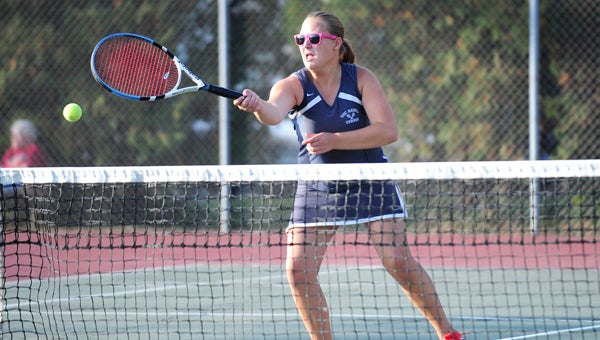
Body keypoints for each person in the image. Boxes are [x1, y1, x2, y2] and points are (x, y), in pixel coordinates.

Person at [235, 11, 463, 340]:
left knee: (398, 260)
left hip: (369, 181)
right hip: (318, 187)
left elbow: (388, 131)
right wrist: (257, 105)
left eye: (314, 38)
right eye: (301, 40)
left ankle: (447, 333)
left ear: (336, 44)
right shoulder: (293, 84)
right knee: (298, 271)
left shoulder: (361, 79)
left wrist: (334, 141)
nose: (306, 45)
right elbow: (273, 112)